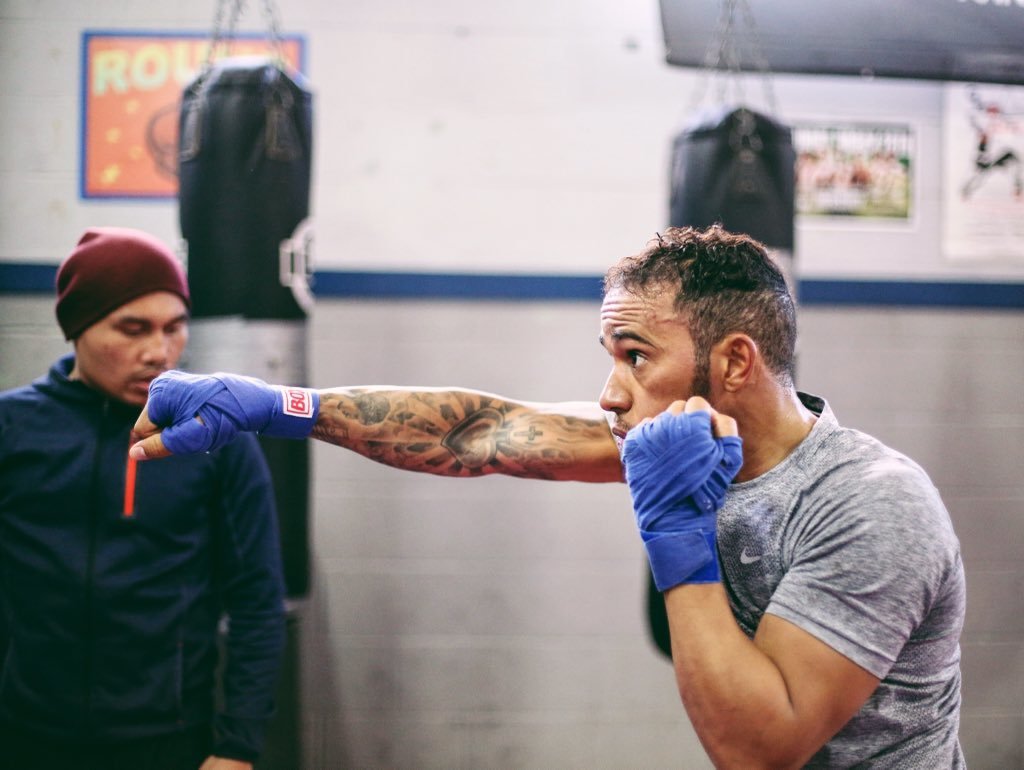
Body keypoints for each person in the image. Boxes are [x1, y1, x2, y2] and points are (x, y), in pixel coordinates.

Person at [131, 224, 965, 768]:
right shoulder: (681, 440)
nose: (609, 392)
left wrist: (676, 530)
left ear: (736, 363)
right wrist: (278, 406)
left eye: (635, 356)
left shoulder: (870, 505)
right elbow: (479, 433)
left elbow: (758, 746)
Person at [0, 227, 286, 770]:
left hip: (169, 743)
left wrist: (237, 747)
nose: (158, 352)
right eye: (132, 329)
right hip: (25, 735)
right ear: (78, 327)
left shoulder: (217, 438)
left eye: (174, 328)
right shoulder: (12, 427)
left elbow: (256, 600)